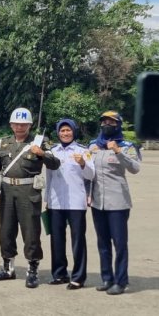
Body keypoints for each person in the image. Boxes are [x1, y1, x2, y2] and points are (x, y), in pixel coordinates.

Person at [0, 107, 60, 288]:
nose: (20, 127)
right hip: (6, 191)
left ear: (30, 125)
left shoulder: (40, 142)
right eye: (16, 124)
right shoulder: (3, 143)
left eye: (24, 124)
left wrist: (42, 153)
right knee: (6, 231)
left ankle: (32, 270)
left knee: (31, 232)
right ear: (11, 125)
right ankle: (8, 269)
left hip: (29, 192)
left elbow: (55, 164)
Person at [88, 111, 141, 295]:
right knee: (103, 243)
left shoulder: (127, 145)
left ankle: (121, 281)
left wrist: (118, 152)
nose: (106, 124)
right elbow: (89, 173)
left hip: (118, 202)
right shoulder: (94, 145)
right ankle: (107, 278)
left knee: (119, 243)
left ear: (118, 124)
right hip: (97, 202)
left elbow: (135, 168)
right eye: (104, 122)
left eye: (111, 122)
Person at [45, 118, 94, 290]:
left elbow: (90, 175)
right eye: (62, 131)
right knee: (57, 240)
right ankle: (59, 274)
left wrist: (82, 163)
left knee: (78, 240)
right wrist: (47, 199)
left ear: (74, 131)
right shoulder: (52, 151)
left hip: (75, 202)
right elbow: (49, 177)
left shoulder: (83, 150)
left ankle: (78, 277)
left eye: (68, 130)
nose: (65, 133)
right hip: (56, 202)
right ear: (58, 133)